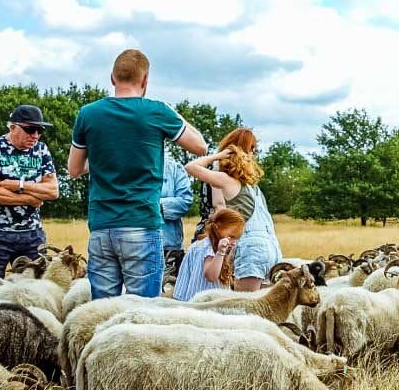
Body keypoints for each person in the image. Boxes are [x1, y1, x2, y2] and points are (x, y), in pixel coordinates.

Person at [68, 49, 209, 299]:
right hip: (140, 225)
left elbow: (75, 169)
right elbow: (200, 145)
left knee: (102, 315)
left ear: (112, 78)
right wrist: (169, 112)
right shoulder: (156, 111)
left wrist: (104, 156)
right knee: (142, 315)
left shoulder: (88, 113)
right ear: (145, 81)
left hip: (102, 227)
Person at [185, 127, 281, 291]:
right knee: (263, 311)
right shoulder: (253, 187)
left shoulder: (227, 181)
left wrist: (218, 156)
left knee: (243, 308)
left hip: (251, 249)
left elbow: (191, 167)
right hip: (272, 248)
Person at [0, 104, 60, 276]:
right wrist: (30, 199)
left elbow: (52, 191)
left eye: (39, 130)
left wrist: (19, 185)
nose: (35, 135)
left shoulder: (41, 150)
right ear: (13, 127)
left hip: (31, 233)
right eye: (30, 129)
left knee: (35, 289)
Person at [174, 208, 246, 301]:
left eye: (236, 238)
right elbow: (211, 276)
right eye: (231, 236)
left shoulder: (199, 245)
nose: (234, 242)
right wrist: (220, 253)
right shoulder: (209, 248)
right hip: (204, 304)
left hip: (189, 300)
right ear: (217, 228)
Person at [160, 151, 194, 274]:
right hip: (133, 246)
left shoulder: (174, 169)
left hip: (168, 248)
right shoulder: (127, 167)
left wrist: (154, 205)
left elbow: (185, 202)